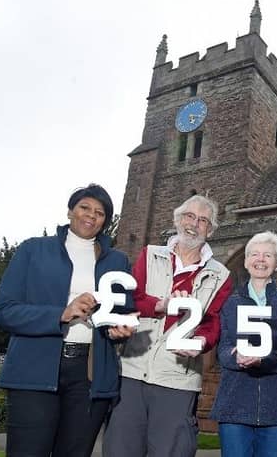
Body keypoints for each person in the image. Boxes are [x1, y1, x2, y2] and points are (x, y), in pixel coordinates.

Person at [0, 184, 136, 457]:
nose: (91, 216)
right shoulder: (33, 250)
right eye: (84, 207)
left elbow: (123, 312)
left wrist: (121, 328)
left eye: (100, 212)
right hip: (35, 370)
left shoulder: (118, 261)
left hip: (90, 375)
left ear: (106, 221)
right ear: (70, 211)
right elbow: (4, 310)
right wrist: (61, 313)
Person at [103, 195, 233, 457]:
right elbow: (133, 299)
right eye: (189, 216)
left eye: (203, 220)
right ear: (177, 220)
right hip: (132, 370)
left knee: (171, 451)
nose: (194, 224)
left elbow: (213, 321)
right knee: (120, 449)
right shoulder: (149, 254)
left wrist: (201, 343)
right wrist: (161, 305)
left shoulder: (222, 274)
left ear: (211, 229)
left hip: (178, 379)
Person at [210, 231, 277, 457]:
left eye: (268, 255)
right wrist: (236, 357)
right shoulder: (229, 305)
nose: (260, 260)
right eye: (254, 254)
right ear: (245, 261)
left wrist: (266, 361)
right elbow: (222, 349)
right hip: (234, 406)